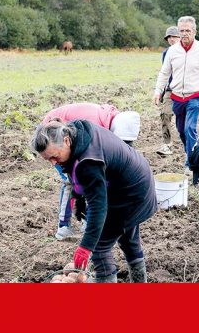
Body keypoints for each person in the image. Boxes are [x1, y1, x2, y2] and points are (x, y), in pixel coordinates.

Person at [30, 119, 157, 283]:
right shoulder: (76, 132)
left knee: (99, 246)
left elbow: (98, 207)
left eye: (54, 156)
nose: (53, 162)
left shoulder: (88, 162)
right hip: (133, 183)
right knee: (127, 238)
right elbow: (73, 170)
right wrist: (79, 198)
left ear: (66, 141)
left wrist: (85, 247)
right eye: (48, 159)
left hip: (132, 193)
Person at [42, 103, 141, 241]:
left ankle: (87, 223)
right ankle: (63, 227)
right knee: (71, 181)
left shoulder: (113, 120)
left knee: (91, 179)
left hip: (69, 138)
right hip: (53, 140)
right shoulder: (95, 126)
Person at [153, 16, 199, 173]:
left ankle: (191, 164)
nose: (184, 34)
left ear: (194, 32)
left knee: (190, 128)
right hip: (177, 96)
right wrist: (158, 91)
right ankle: (191, 153)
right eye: (181, 31)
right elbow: (164, 73)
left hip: (195, 95)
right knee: (182, 130)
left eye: (187, 31)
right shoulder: (172, 51)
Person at [156, 26, 181, 156]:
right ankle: (167, 144)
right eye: (169, 37)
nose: (171, 39)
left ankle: (188, 142)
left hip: (185, 90)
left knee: (183, 120)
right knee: (165, 114)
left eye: (174, 36)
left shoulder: (186, 52)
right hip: (170, 90)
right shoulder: (166, 53)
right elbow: (165, 73)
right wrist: (159, 91)